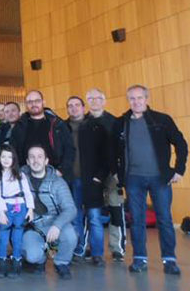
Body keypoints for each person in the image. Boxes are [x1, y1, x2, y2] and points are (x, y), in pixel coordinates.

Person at [114, 85, 187, 275]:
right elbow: (113, 150)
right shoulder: (122, 122)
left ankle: (169, 260)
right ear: (128, 100)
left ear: (146, 98)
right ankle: (139, 258)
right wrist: (117, 173)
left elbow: (181, 143)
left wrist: (179, 169)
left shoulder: (162, 120)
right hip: (133, 179)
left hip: (159, 179)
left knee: (164, 219)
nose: (136, 102)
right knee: (137, 220)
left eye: (139, 98)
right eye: (132, 98)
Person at [21, 145, 77, 280]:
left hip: (55, 223)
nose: (36, 160)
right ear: (27, 162)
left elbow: (71, 209)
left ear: (46, 161)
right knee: (32, 255)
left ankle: (61, 262)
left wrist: (57, 225)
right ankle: (41, 260)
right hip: (34, 226)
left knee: (70, 236)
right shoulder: (20, 180)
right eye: (32, 157)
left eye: (40, 157)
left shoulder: (58, 182)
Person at [66, 96, 108, 266]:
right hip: (72, 180)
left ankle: (97, 254)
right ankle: (79, 250)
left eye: (77, 105)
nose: (74, 108)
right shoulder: (63, 127)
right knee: (75, 217)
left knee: (95, 218)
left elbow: (105, 153)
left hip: (92, 180)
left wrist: (100, 176)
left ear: (84, 108)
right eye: (70, 106)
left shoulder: (95, 126)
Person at [85, 88, 124, 261]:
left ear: (104, 100)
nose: (94, 101)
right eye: (90, 98)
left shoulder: (115, 122)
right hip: (90, 174)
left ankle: (117, 248)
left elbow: (122, 149)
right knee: (89, 212)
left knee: (116, 210)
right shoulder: (83, 121)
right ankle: (88, 247)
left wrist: (119, 172)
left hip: (112, 174)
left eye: (97, 98)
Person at [10, 90, 75, 182]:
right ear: (26, 105)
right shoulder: (19, 126)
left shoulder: (58, 124)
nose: (33, 104)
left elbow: (69, 149)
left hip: (55, 175)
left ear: (43, 102)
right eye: (30, 102)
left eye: (37, 101)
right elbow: (13, 151)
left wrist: (61, 170)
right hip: (27, 177)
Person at [0, 145, 34, 279]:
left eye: (9, 157)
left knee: (17, 236)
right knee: (3, 236)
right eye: (3, 156)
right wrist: (1, 213)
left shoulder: (21, 175)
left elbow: (27, 192)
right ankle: (2, 261)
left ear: (14, 159)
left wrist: (31, 209)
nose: (6, 159)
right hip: (5, 207)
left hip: (20, 206)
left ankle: (16, 261)